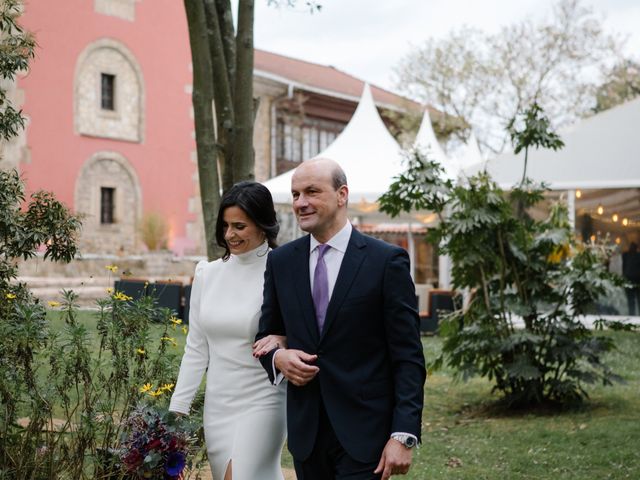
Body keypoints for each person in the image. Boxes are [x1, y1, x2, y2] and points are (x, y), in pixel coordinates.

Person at [254, 158, 426, 480]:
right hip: (307, 436)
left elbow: (408, 357)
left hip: (367, 436)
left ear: (342, 194)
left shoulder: (386, 262)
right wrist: (279, 358)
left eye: (311, 192)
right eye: (295, 195)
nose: (300, 203)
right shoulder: (281, 262)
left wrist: (402, 434)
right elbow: (267, 336)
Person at [170, 181, 287, 480]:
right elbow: (196, 348)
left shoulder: (284, 270)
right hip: (219, 406)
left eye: (239, 226)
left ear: (263, 225)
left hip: (265, 399)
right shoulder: (207, 274)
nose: (229, 235)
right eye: (225, 226)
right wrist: (177, 410)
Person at [622, 242, 640, 315]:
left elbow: (624, 266)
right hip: (634, 279)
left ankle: (632, 314)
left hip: (632, 279)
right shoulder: (627, 255)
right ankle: (632, 314)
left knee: (632, 299)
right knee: (634, 299)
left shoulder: (626, 255)